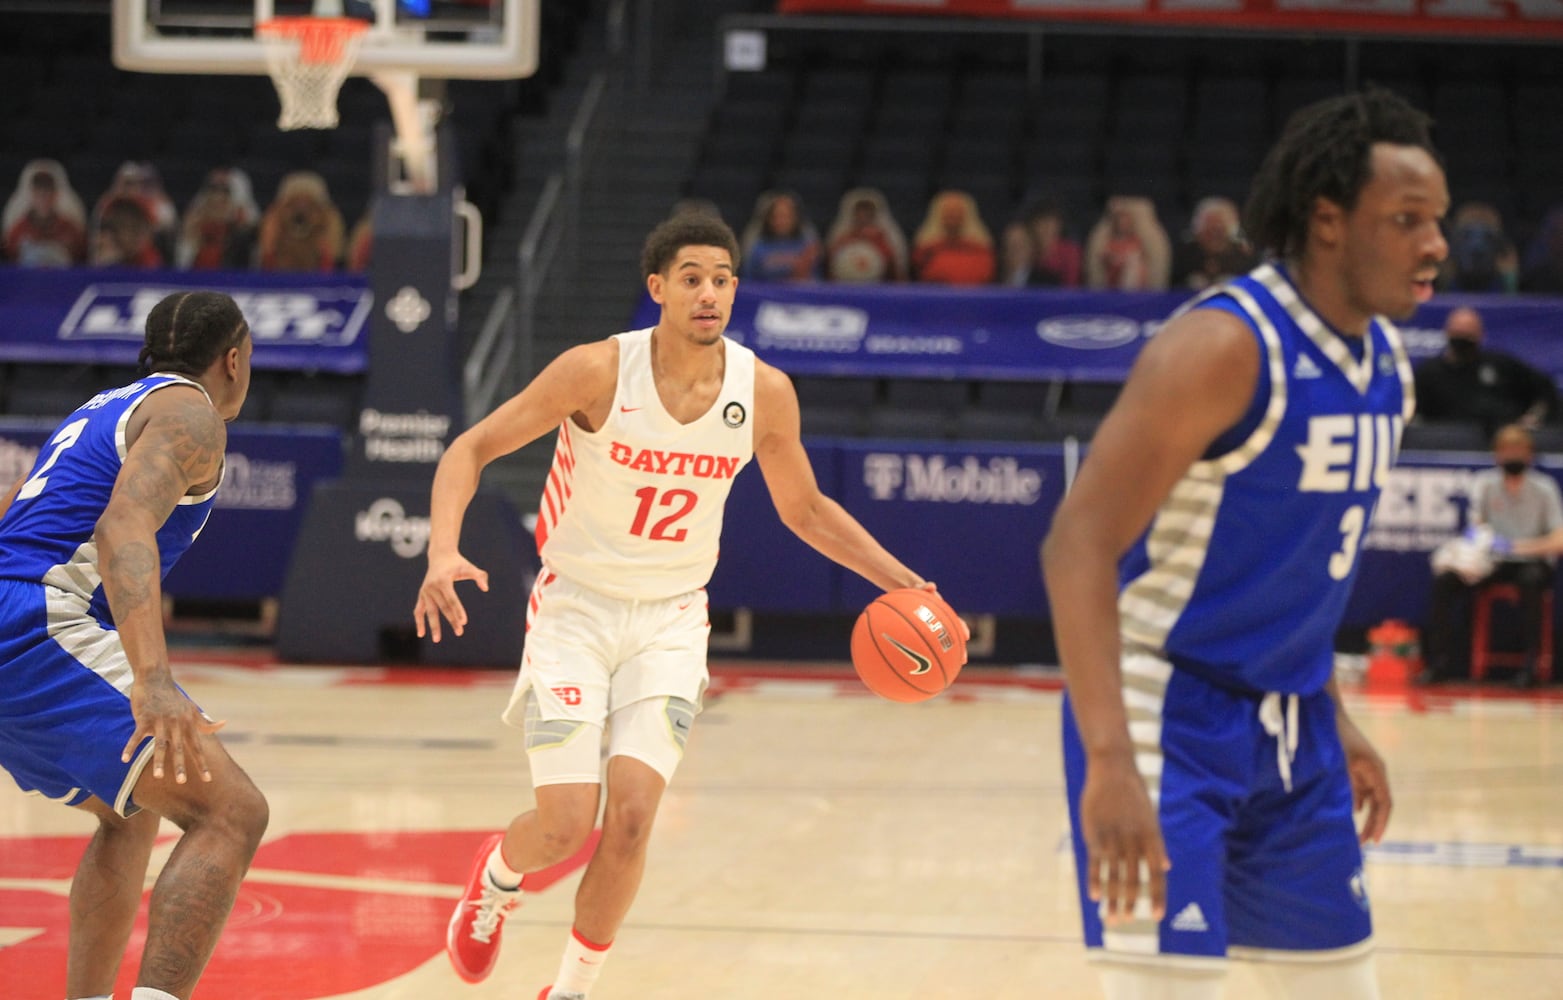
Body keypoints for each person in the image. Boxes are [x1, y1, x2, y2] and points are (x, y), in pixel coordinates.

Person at [414, 213, 962, 1000]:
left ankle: (569, 990)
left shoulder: (763, 392)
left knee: (632, 819)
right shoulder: (596, 372)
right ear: (658, 289)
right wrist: (442, 548)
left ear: (735, 289)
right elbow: (470, 448)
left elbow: (804, 511)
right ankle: (496, 882)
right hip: (575, 609)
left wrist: (905, 583)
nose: (708, 293)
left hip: (671, 618)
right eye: (692, 278)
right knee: (567, 824)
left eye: (721, 279)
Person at [1041, 87, 1445, 1000]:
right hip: (1164, 716)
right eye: (1408, 220)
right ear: (1329, 222)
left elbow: (1300, 569)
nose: (1435, 246)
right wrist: (1109, 758)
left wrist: (1333, 712)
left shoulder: (1386, 368)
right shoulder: (1224, 346)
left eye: (1438, 220)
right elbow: (1076, 545)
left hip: (1293, 728)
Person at [0, 291, 267, 1000]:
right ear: (233, 360)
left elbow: (16, 511)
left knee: (128, 810)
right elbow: (124, 526)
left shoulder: (107, 406)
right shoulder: (192, 415)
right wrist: (152, 677)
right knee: (231, 815)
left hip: (14, 613)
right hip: (34, 624)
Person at [1422, 424, 1562, 687]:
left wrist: (1518, 547)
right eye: (1507, 451)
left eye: (1519, 451)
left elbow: (1559, 540)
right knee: (1446, 581)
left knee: (1531, 581)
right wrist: (1487, 544)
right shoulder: (1484, 484)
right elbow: (1476, 528)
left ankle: (1530, 667)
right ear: (1497, 455)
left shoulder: (1544, 488)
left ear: (1530, 455)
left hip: (1532, 561)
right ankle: (1439, 664)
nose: (1513, 457)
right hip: (1491, 560)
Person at [1413, 305, 1557, 435]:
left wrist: (1533, 418)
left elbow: (1545, 390)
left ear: (1480, 335)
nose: (1462, 341)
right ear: (1447, 333)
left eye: (1468, 335)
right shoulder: (1429, 373)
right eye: (1458, 334)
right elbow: (1415, 414)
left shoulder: (1501, 365)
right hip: (1446, 444)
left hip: (1501, 444)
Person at [2, 158, 88, 267]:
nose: (43, 198)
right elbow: (11, 264)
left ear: (55, 195)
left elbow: (81, 261)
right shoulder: (18, 230)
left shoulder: (70, 229)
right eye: (39, 193)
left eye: (48, 192)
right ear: (32, 195)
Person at [1084, 194, 1172, 291]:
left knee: (1134, 263)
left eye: (1126, 222)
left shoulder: (1135, 240)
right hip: (1115, 277)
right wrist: (1116, 259)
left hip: (1136, 280)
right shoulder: (1111, 242)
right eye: (1120, 222)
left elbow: (1142, 256)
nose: (1123, 225)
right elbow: (1105, 257)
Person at [911, 189, 996, 285]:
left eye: (957, 212)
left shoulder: (981, 250)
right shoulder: (926, 250)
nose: (953, 216)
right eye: (949, 212)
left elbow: (985, 275)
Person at [1171, 195, 1257, 291]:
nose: (1214, 236)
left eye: (1219, 230)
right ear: (1197, 231)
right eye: (1209, 231)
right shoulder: (1183, 255)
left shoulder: (1245, 255)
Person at [824, 186, 908, 283]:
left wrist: (877, 243)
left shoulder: (889, 238)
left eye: (868, 211)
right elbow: (830, 267)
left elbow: (897, 272)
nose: (863, 216)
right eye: (859, 212)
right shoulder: (841, 238)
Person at [738, 189, 820, 281]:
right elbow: (748, 281)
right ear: (769, 219)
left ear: (796, 217)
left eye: (786, 216)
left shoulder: (807, 247)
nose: (782, 221)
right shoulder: (757, 247)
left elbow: (815, 283)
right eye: (777, 216)